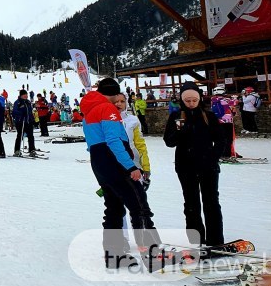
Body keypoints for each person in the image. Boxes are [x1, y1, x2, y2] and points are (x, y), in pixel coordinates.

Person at [80, 78, 163, 271]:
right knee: (139, 204)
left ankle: (114, 254)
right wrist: (131, 167)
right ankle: (151, 253)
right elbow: (113, 141)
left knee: (114, 207)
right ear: (115, 93)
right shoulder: (107, 109)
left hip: (99, 163)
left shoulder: (89, 109)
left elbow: (94, 142)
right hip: (114, 162)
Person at [163, 81, 225, 247]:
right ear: (182, 100)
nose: (191, 103)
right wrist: (178, 132)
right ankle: (196, 240)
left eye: (194, 100)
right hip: (185, 166)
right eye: (187, 100)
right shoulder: (176, 116)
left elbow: (220, 140)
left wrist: (213, 157)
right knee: (191, 203)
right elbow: (169, 142)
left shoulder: (208, 116)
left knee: (211, 202)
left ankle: (216, 240)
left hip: (208, 166)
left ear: (199, 99)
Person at [11, 90, 36, 157]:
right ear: (21, 95)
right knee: (20, 136)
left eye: (26, 94)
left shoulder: (28, 102)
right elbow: (14, 112)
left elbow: (30, 112)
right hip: (20, 122)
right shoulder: (18, 102)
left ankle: (32, 149)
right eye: (24, 94)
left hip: (28, 121)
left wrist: (32, 119)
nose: (26, 96)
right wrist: (21, 113)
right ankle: (17, 150)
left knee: (31, 136)